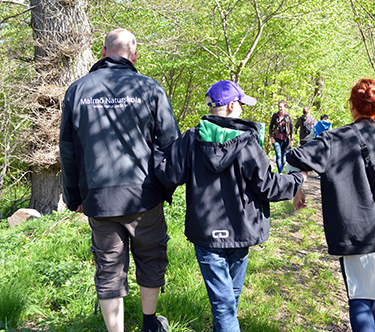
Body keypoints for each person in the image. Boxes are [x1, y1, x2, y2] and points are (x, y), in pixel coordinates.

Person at [154, 80, 307, 332]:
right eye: (241, 105)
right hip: (241, 233)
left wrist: (153, 150)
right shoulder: (247, 142)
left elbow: (169, 174)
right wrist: (297, 179)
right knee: (227, 303)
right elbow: (268, 186)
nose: (242, 110)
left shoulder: (193, 138)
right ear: (232, 105)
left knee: (226, 303)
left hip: (206, 234)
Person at [59, 28, 180, 332]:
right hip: (143, 196)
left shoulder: (77, 90)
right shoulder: (150, 88)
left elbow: (68, 151)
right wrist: (164, 187)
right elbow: (170, 145)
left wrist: (75, 197)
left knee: (109, 269)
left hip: (97, 198)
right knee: (151, 258)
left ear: (103, 53)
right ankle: (150, 324)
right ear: (134, 55)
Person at [287, 78, 375, 332]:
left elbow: (294, 157)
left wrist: (298, 187)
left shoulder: (334, 139)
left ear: (352, 106)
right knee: (374, 292)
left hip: (352, 231)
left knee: (360, 295)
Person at [269, 100, 294, 173]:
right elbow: (270, 127)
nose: (280, 108)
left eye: (281, 107)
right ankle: (280, 173)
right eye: (278, 107)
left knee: (284, 158)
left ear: (285, 107)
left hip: (285, 140)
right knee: (278, 155)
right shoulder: (275, 116)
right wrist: (271, 137)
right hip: (276, 139)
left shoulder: (288, 117)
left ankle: (281, 171)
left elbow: (292, 129)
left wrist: (292, 140)